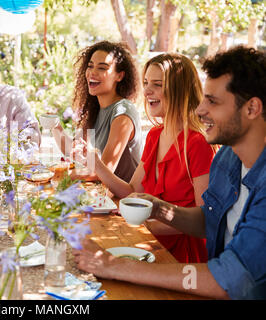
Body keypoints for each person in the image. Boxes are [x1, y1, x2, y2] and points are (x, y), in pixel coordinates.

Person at [73, 45, 266, 299]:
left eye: (213, 101)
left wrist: (113, 265)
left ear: (252, 109)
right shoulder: (227, 159)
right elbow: (209, 220)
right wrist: (159, 208)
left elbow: (229, 279)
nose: (199, 110)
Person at [74, 53, 216, 263]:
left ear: (180, 90)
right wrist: (96, 163)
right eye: (146, 82)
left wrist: (141, 225)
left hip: (181, 257)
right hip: (148, 243)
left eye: (157, 84)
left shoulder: (198, 144)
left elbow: (204, 221)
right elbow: (132, 191)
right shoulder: (155, 135)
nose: (147, 91)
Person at [49, 41, 143, 183]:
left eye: (102, 68)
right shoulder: (96, 110)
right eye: (90, 66)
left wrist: (65, 174)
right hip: (104, 195)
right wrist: (55, 126)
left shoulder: (123, 112)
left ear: (120, 76)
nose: (92, 72)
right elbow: (72, 151)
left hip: (124, 200)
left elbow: (104, 170)